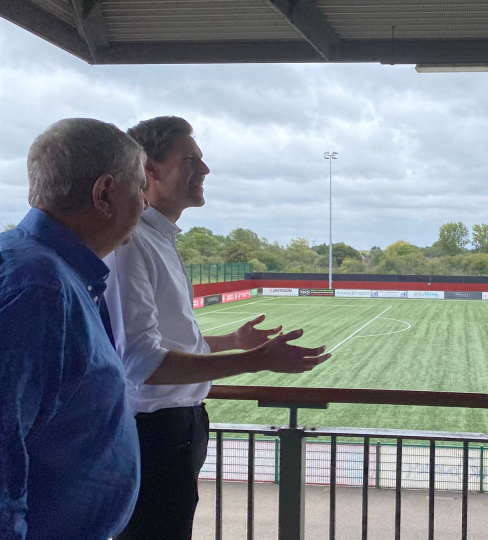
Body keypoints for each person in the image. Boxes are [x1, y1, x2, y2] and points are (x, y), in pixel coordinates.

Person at [104, 116, 330, 539]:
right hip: (154, 435)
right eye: (190, 160)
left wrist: (232, 341)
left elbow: (164, 344)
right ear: (149, 169)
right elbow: (141, 363)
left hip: (178, 429)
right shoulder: (131, 245)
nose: (205, 170)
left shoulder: (159, 241)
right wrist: (254, 361)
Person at [0, 119, 147, 539]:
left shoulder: (51, 275)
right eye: (139, 189)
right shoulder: (40, 288)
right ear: (104, 195)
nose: (144, 204)